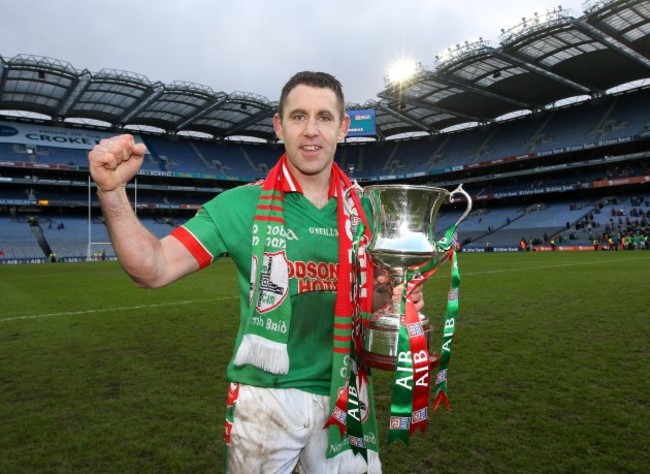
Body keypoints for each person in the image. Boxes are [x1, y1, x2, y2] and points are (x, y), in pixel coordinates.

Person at [88, 71, 423, 473]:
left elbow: (372, 296)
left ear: (344, 127)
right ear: (279, 126)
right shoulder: (239, 206)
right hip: (266, 399)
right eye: (298, 117)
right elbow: (152, 268)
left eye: (324, 117)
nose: (311, 131)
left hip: (347, 391)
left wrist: (396, 303)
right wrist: (112, 192)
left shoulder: (370, 212)